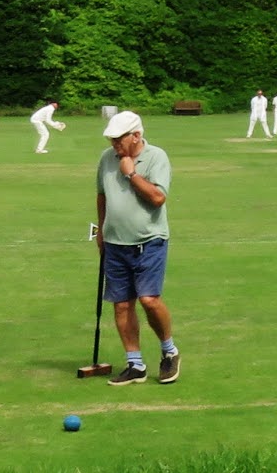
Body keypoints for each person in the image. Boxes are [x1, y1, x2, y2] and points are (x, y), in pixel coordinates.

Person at [96, 112, 176, 384]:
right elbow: (102, 195)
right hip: (115, 242)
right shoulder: (106, 159)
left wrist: (131, 173)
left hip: (149, 241)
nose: (114, 145)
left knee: (149, 300)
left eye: (119, 140)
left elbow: (157, 197)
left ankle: (169, 351)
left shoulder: (156, 157)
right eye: (112, 139)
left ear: (136, 136)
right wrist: (101, 231)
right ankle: (135, 364)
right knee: (121, 305)